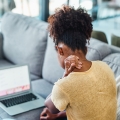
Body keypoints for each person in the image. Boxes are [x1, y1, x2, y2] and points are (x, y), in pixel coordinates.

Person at [40, 5, 117, 120]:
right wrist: (58, 116)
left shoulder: (65, 85)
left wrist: (65, 76)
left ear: (60, 50)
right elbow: (88, 109)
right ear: (86, 50)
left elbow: (49, 106)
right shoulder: (105, 68)